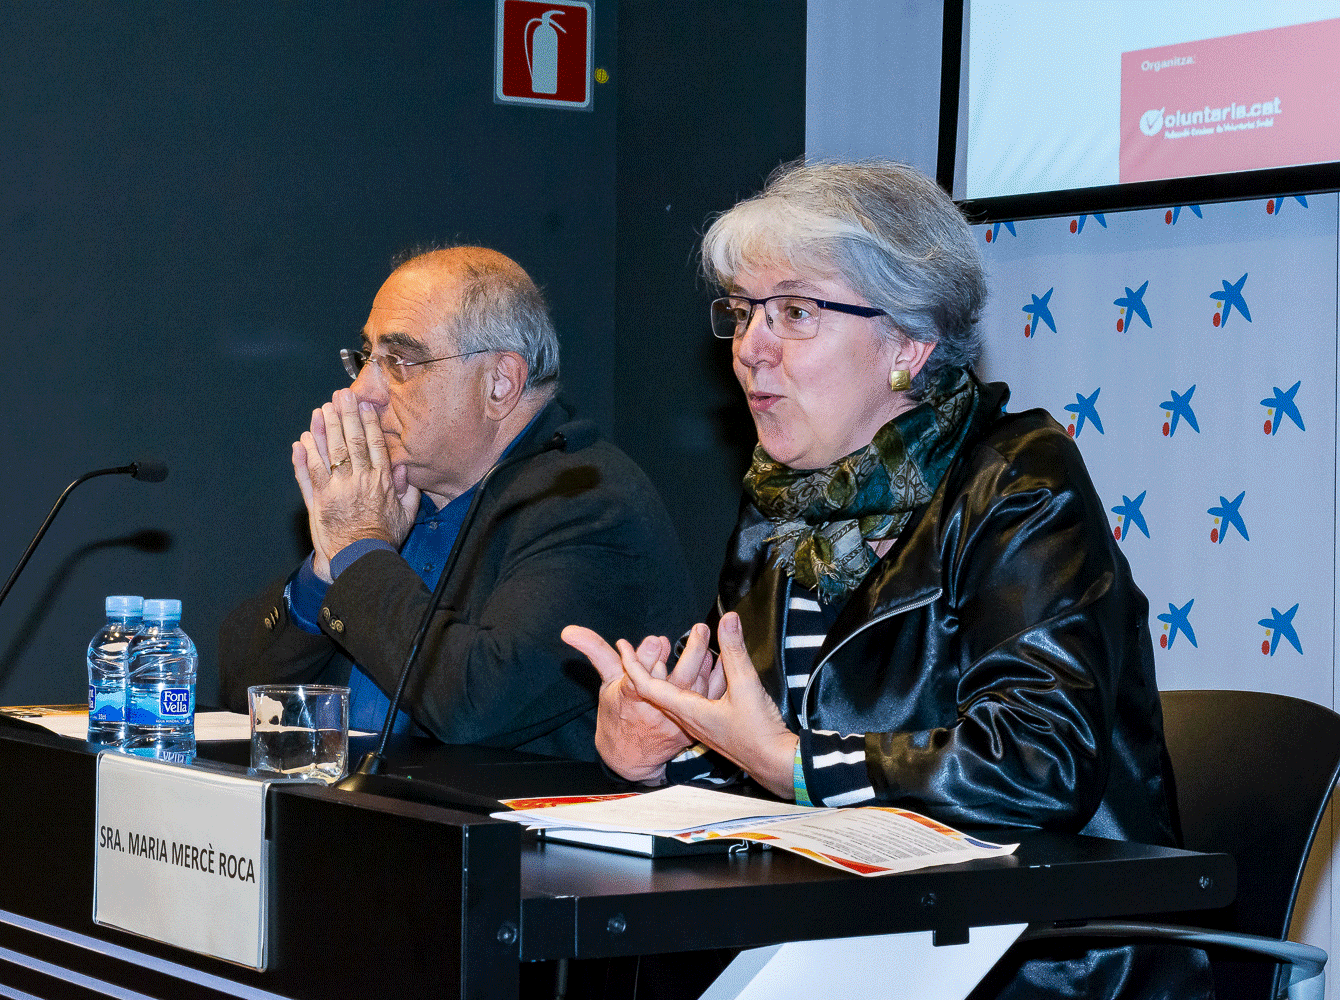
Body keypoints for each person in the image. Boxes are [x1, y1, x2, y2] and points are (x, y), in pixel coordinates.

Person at [562, 162, 1209, 999]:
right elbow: (775, 769)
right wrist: (666, 749)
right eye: (744, 311)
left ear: (908, 345)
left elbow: (1037, 763)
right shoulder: (780, 507)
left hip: (1036, 963)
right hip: (846, 944)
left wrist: (791, 762)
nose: (751, 347)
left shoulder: (1017, 483)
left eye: (796, 312)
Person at [221, 246, 694, 760]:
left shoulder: (585, 500)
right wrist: (328, 564)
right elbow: (240, 694)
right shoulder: (396, 495)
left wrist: (359, 549)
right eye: (366, 358)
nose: (360, 391)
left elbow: (476, 706)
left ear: (500, 383)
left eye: (399, 362)